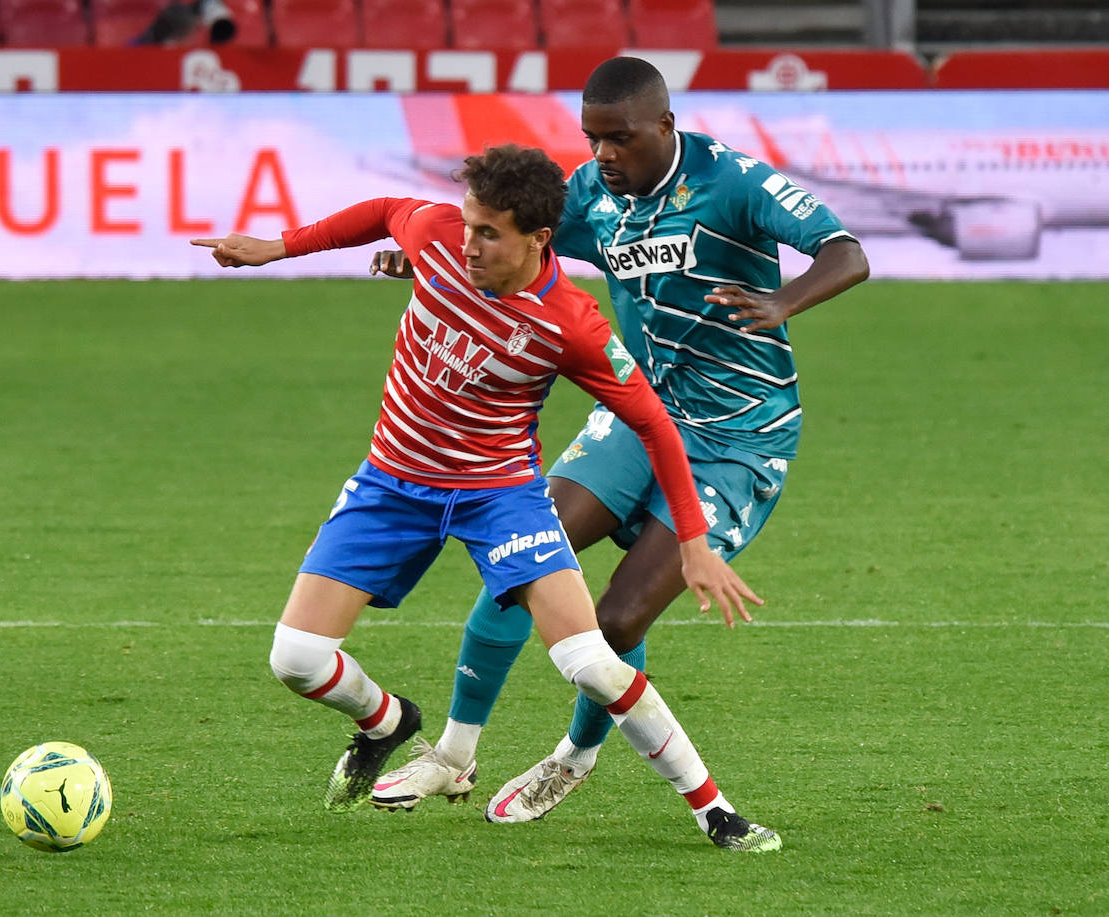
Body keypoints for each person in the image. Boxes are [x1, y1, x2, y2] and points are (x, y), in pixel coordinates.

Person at [192, 143, 780, 852]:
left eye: (487, 233)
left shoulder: (571, 322)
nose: (464, 243)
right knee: (296, 659)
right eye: (467, 225)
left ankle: (715, 810)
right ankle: (387, 724)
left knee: (590, 660)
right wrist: (275, 248)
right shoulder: (438, 237)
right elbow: (385, 212)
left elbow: (654, 421)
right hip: (392, 482)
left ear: (537, 240)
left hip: (499, 493)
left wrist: (692, 542)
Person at [370, 56, 870, 829]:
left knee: (619, 620)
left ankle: (574, 756)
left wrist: (783, 300)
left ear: (664, 127)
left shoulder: (734, 182)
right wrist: (433, 251)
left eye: (620, 139)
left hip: (738, 435)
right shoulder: (596, 193)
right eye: (592, 139)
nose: (603, 156)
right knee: (523, 555)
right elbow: (507, 236)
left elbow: (847, 251)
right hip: (637, 416)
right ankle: (453, 752)